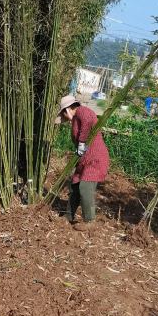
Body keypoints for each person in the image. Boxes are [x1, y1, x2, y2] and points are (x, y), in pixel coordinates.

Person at [58, 94, 110, 231]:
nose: (65, 118)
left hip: (96, 159)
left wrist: (81, 143)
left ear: (68, 109)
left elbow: (87, 121)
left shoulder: (82, 111)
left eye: (64, 114)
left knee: (85, 187)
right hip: (84, 160)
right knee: (75, 187)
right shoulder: (75, 119)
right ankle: (68, 216)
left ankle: (90, 221)